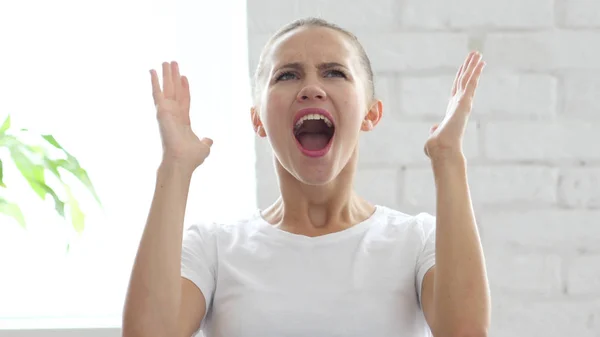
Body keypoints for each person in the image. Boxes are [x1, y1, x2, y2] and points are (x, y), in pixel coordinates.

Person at [122, 17, 491, 337]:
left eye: (334, 72)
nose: (311, 88)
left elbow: (464, 332)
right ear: (258, 120)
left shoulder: (417, 241)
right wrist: (175, 165)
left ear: (370, 114)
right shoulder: (214, 248)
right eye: (287, 75)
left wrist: (448, 160)